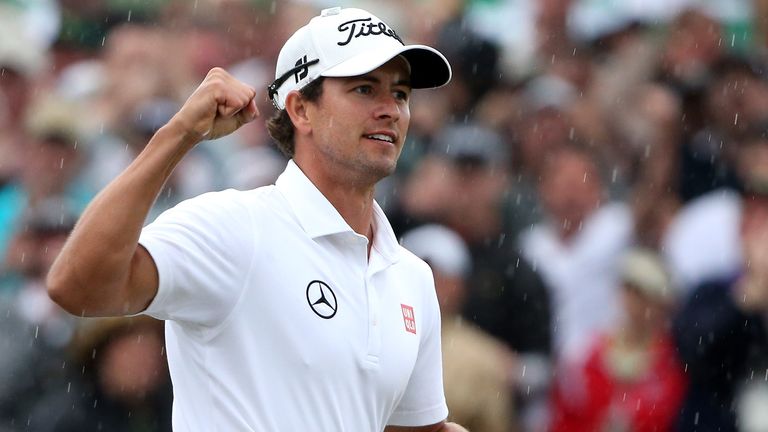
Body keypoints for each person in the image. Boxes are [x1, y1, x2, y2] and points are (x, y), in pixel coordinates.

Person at [46, 6, 467, 432]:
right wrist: (177, 135)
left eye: (400, 93)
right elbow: (77, 286)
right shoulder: (234, 227)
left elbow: (417, 429)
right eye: (364, 89)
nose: (391, 110)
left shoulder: (411, 276)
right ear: (300, 109)